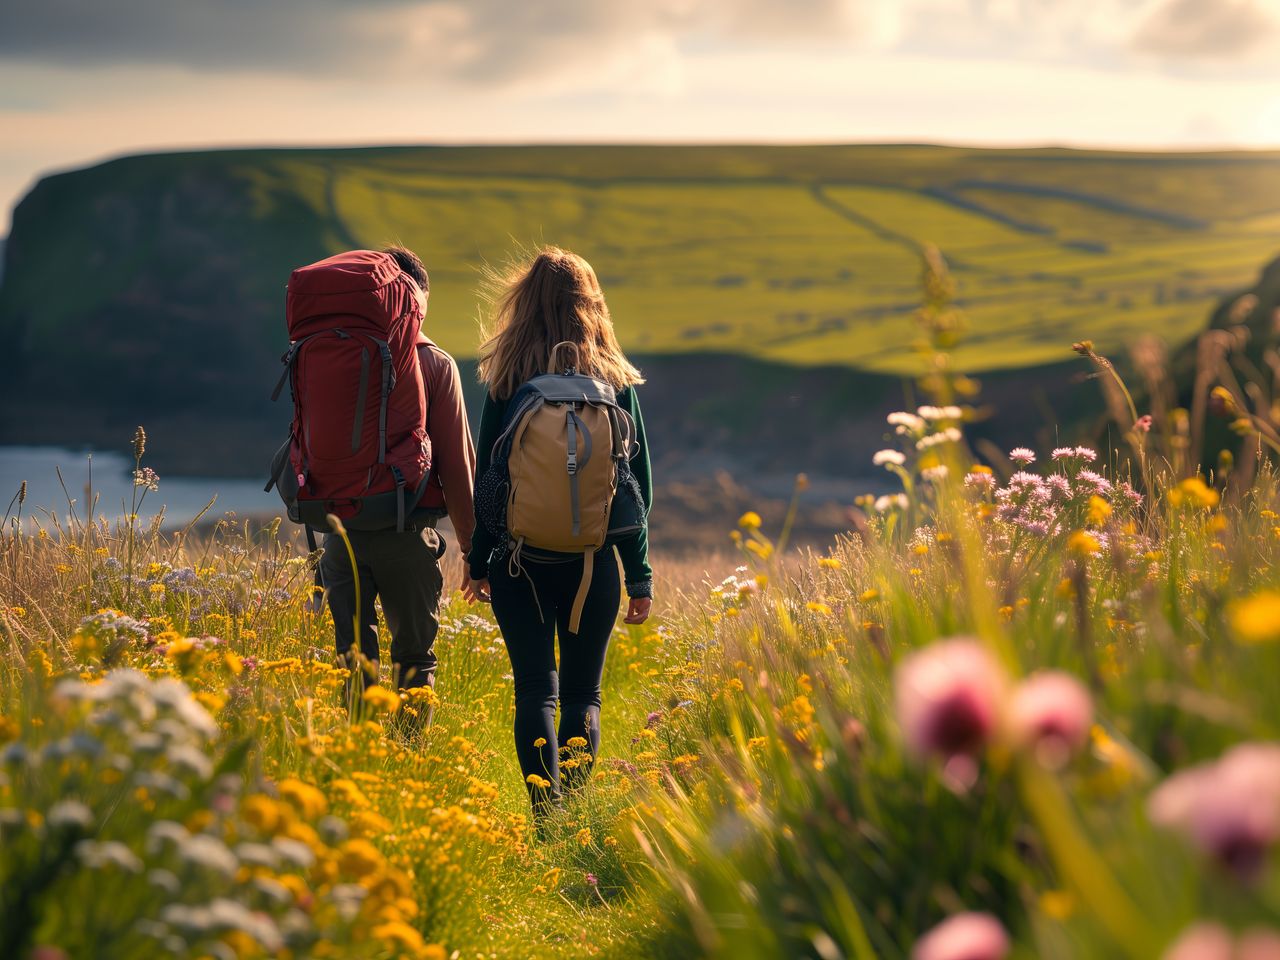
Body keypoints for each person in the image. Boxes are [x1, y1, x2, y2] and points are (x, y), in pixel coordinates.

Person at [468, 246, 653, 814]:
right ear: (592, 305)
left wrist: (478, 562)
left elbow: (490, 480)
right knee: (581, 695)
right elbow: (634, 486)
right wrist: (639, 576)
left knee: (535, 692)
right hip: (592, 565)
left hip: (518, 560)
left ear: (522, 306)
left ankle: (544, 817)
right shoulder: (613, 381)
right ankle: (573, 813)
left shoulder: (507, 379)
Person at [318, 245, 477, 698]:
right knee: (414, 659)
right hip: (407, 532)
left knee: (353, 659)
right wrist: (472, 549)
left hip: (339, 531)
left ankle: (357, 756)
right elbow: (457, 468)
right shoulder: (435, 363)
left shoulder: (332, 354)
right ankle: (406, 760)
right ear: (416, 301)